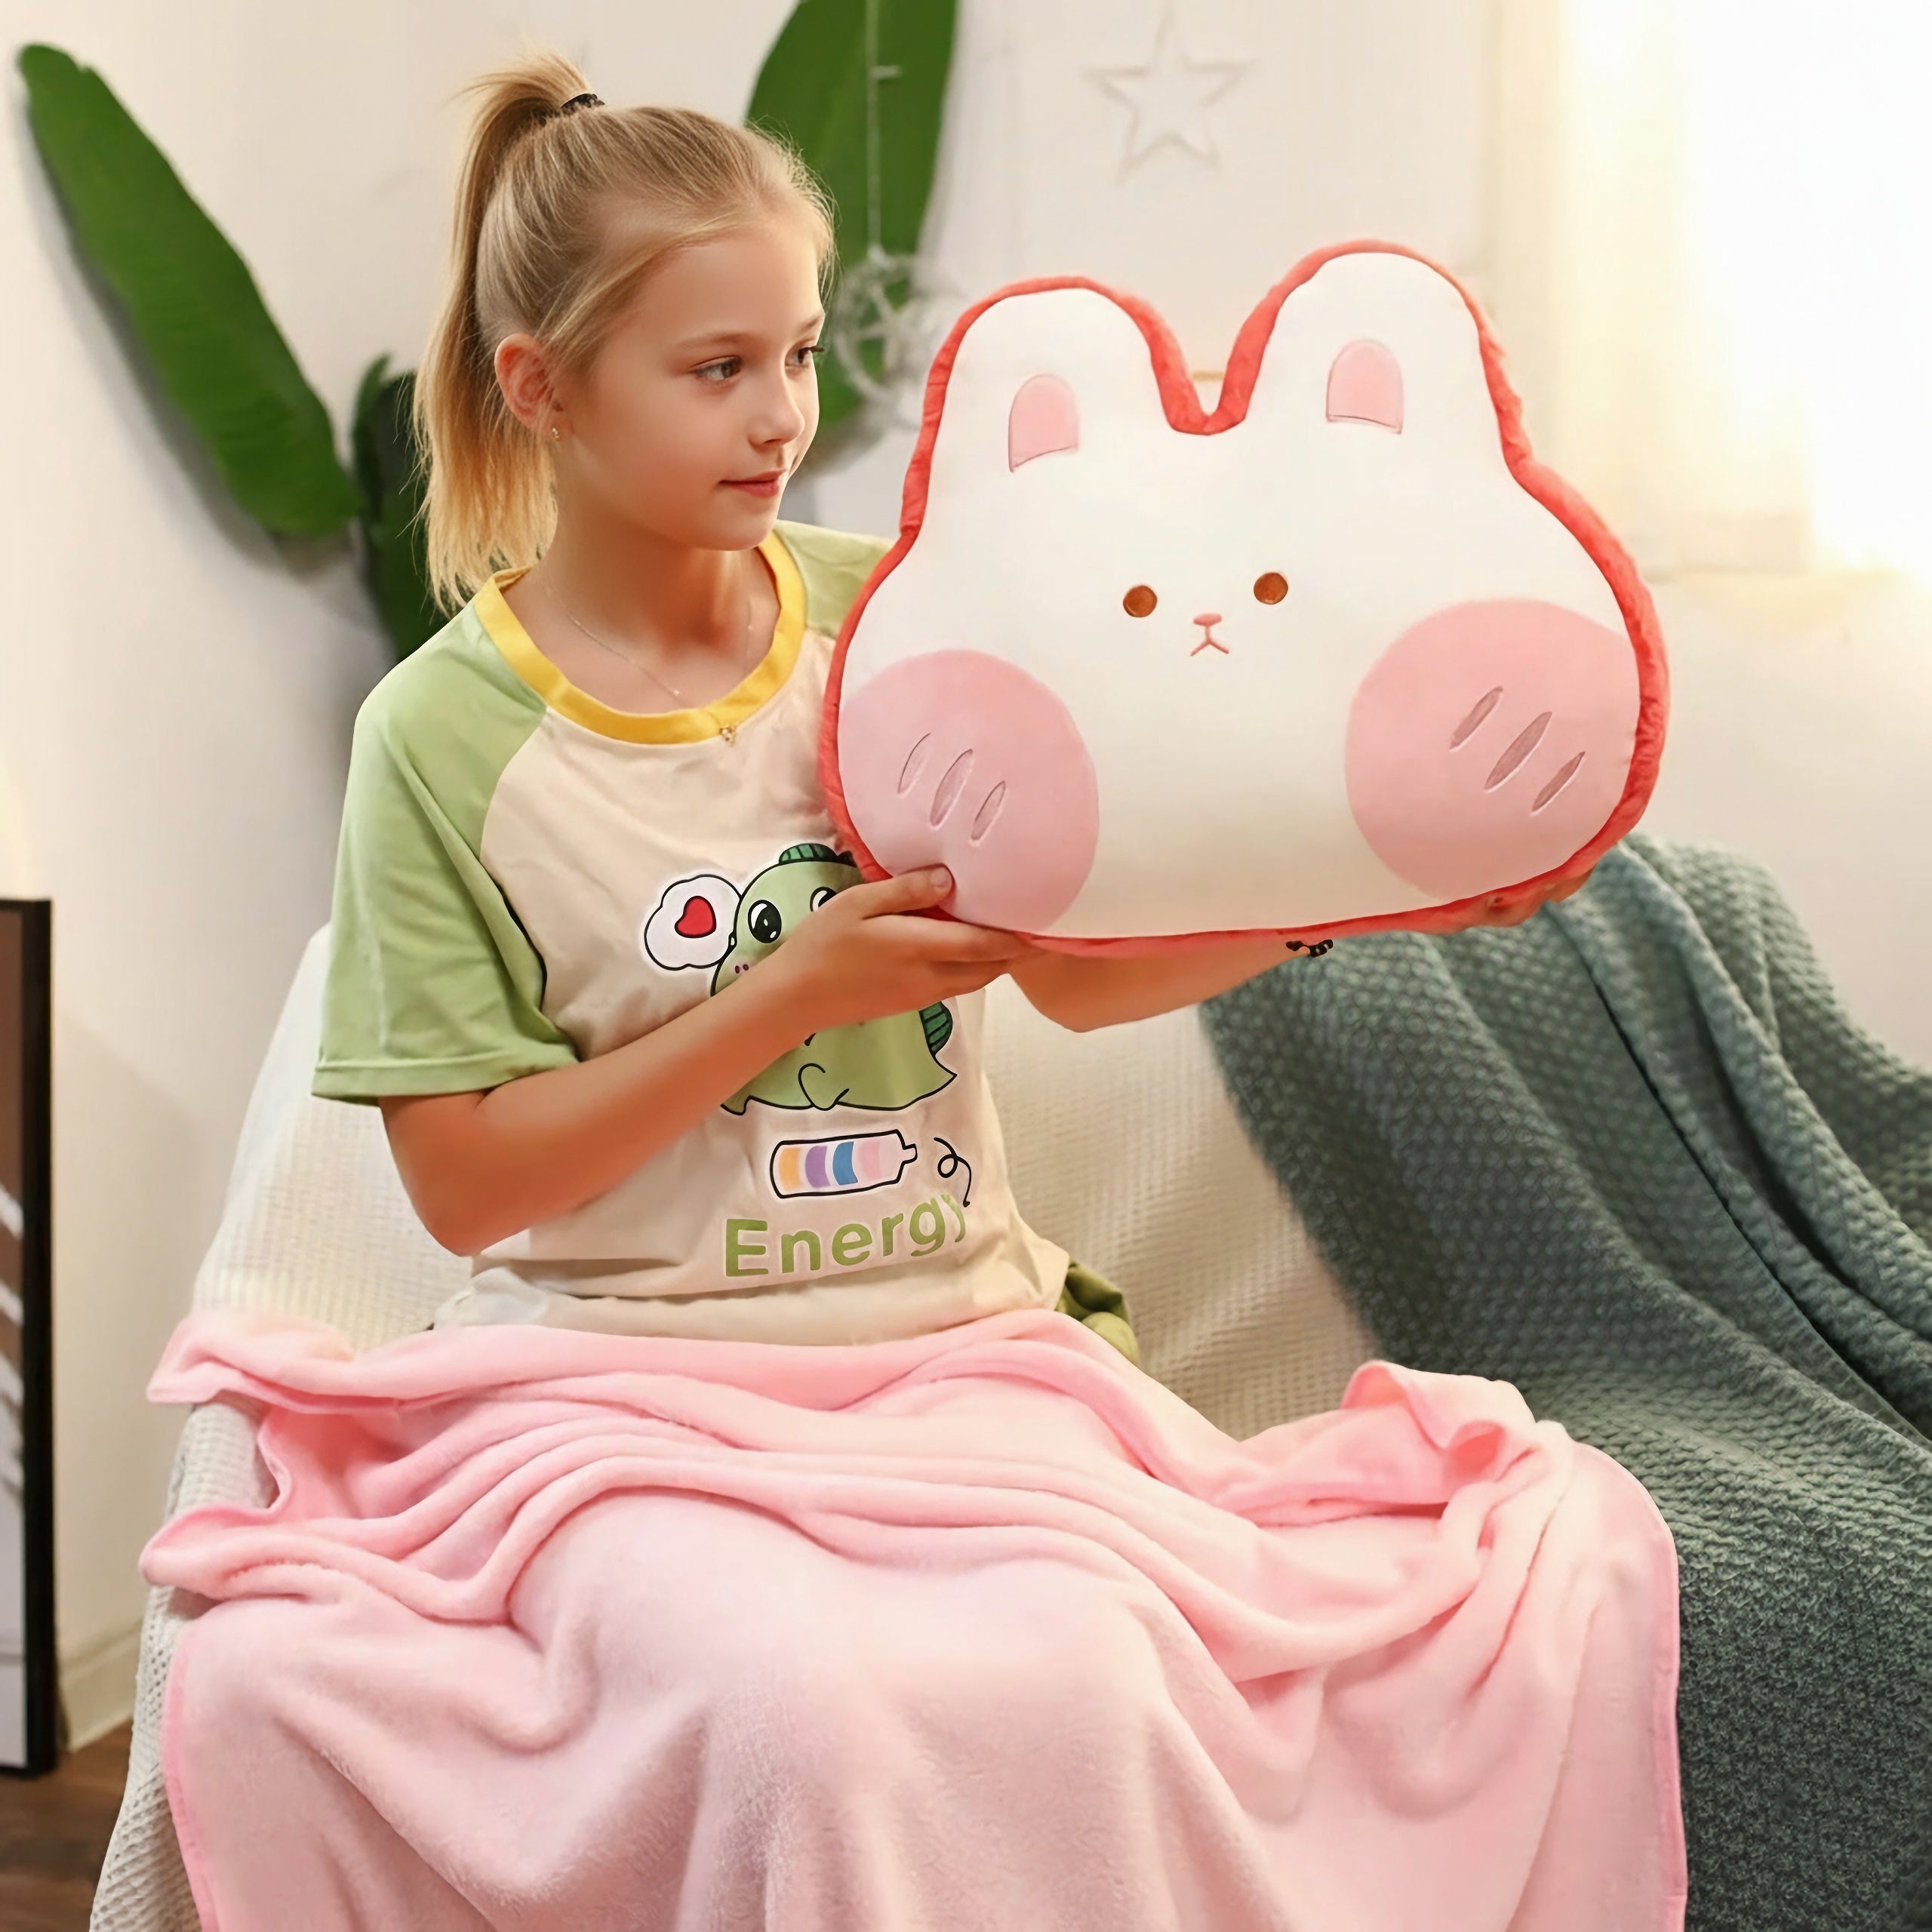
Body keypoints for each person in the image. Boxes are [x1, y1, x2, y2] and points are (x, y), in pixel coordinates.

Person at [149, 53, 1657, 1932]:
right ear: (541, 384)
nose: (779, 414)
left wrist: (1358, 896)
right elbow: (462, 1181)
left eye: (792, 354)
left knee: (1096, 1675)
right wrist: (785, 996)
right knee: (812, 1712)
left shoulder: (902, 630)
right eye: (715, 367)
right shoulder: (441, 738)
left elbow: (1083, 983)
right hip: (617, 1393)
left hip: (955, 1352)